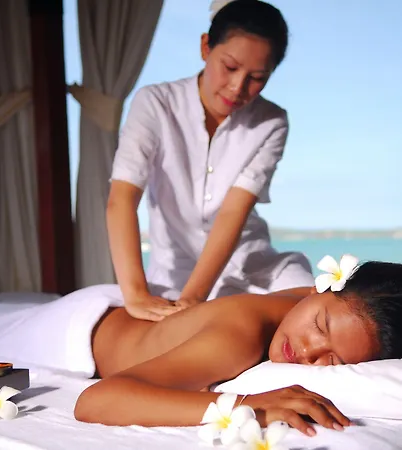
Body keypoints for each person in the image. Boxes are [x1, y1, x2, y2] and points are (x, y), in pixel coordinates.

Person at [107, 0, 314, 322]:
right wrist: (135, 295)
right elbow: (121, 198)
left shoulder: (271, 121)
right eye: (230, 67)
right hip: (175, 275)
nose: (238, 87)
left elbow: (233, 211)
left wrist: (194, 299)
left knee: (313, 306)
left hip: (253, 265)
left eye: (257, 77)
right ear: (206, 47)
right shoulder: (155, 103)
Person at [74, 260, 402, 437]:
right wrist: (249, 405)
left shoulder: (309, 301)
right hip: (79, 327)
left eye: (332, 360)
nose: (307, 351)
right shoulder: (240, 337)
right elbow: (94, 400)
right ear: (320, 288)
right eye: (319, 326)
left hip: (129, 314)